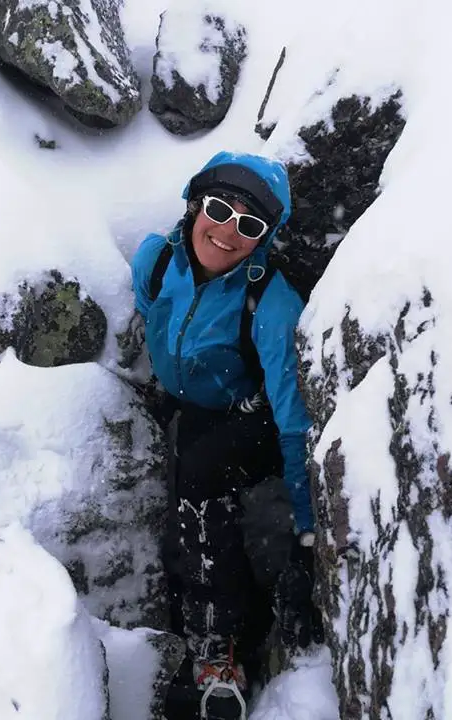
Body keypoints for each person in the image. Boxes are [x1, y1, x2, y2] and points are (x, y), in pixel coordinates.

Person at [131, 151, 321, 714]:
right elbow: (155, 316)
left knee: (200, 474)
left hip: (249, 412)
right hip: (187, 401)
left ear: (263, 237)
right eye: (218, 208)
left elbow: (292, 419)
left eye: (249, 224)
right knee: (187, 459)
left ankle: (218, 642)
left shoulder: (271, 302)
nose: (227, 231)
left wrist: (307, 528)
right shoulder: (156, 261)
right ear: (194, 206)